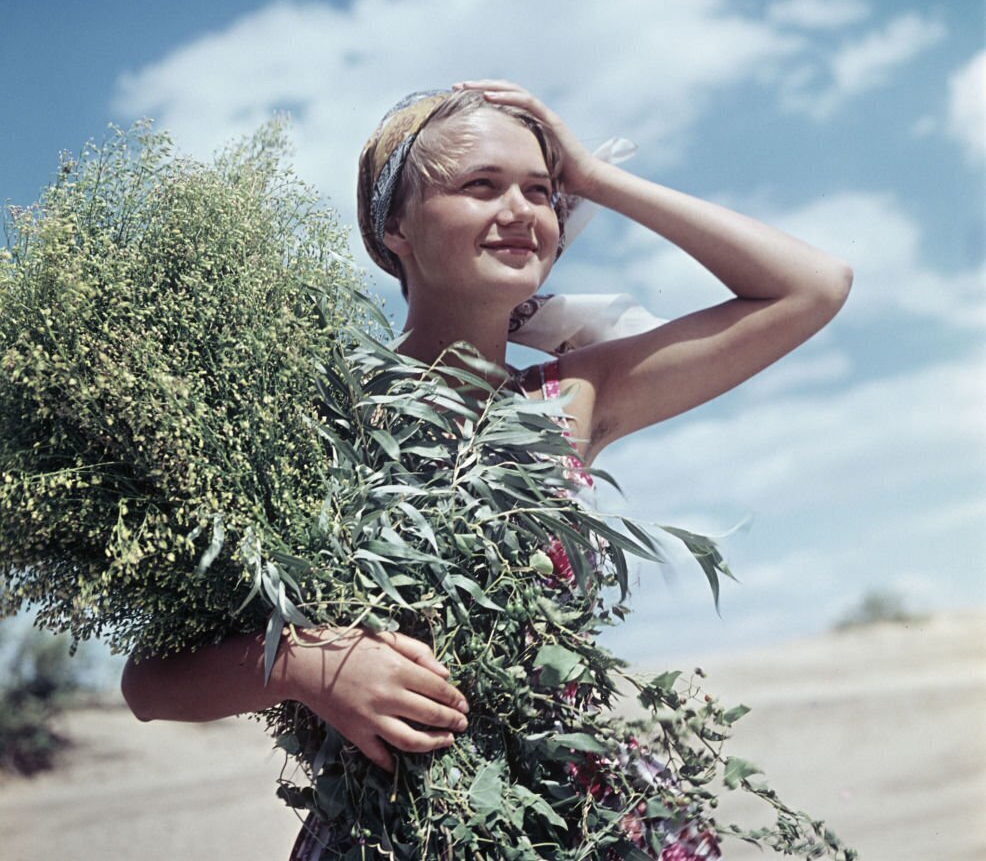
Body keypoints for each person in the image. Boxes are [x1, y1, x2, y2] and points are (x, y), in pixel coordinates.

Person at [122, 80, 852, 859]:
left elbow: (813, 287)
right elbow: (149, 683)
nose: (521, 211)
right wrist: (308, 665)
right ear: (393, 225)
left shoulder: (570, 399)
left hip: (583, 823)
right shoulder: (307, 424)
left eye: (542, 192)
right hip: (398, 835)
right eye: (480, 186)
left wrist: (596, 178)